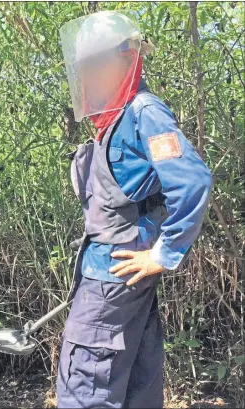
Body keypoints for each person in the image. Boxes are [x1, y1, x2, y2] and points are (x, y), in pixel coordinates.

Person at [57, 10, 212, 409]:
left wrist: (164, 252)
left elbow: (191, 181)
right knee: (136, 388)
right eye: (82, 69)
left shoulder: (143, 111)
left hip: (112, 282)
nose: (87, 78)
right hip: (114, 280)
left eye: (93, 66)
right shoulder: (115, 119)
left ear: (124, 61)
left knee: (84, 389)